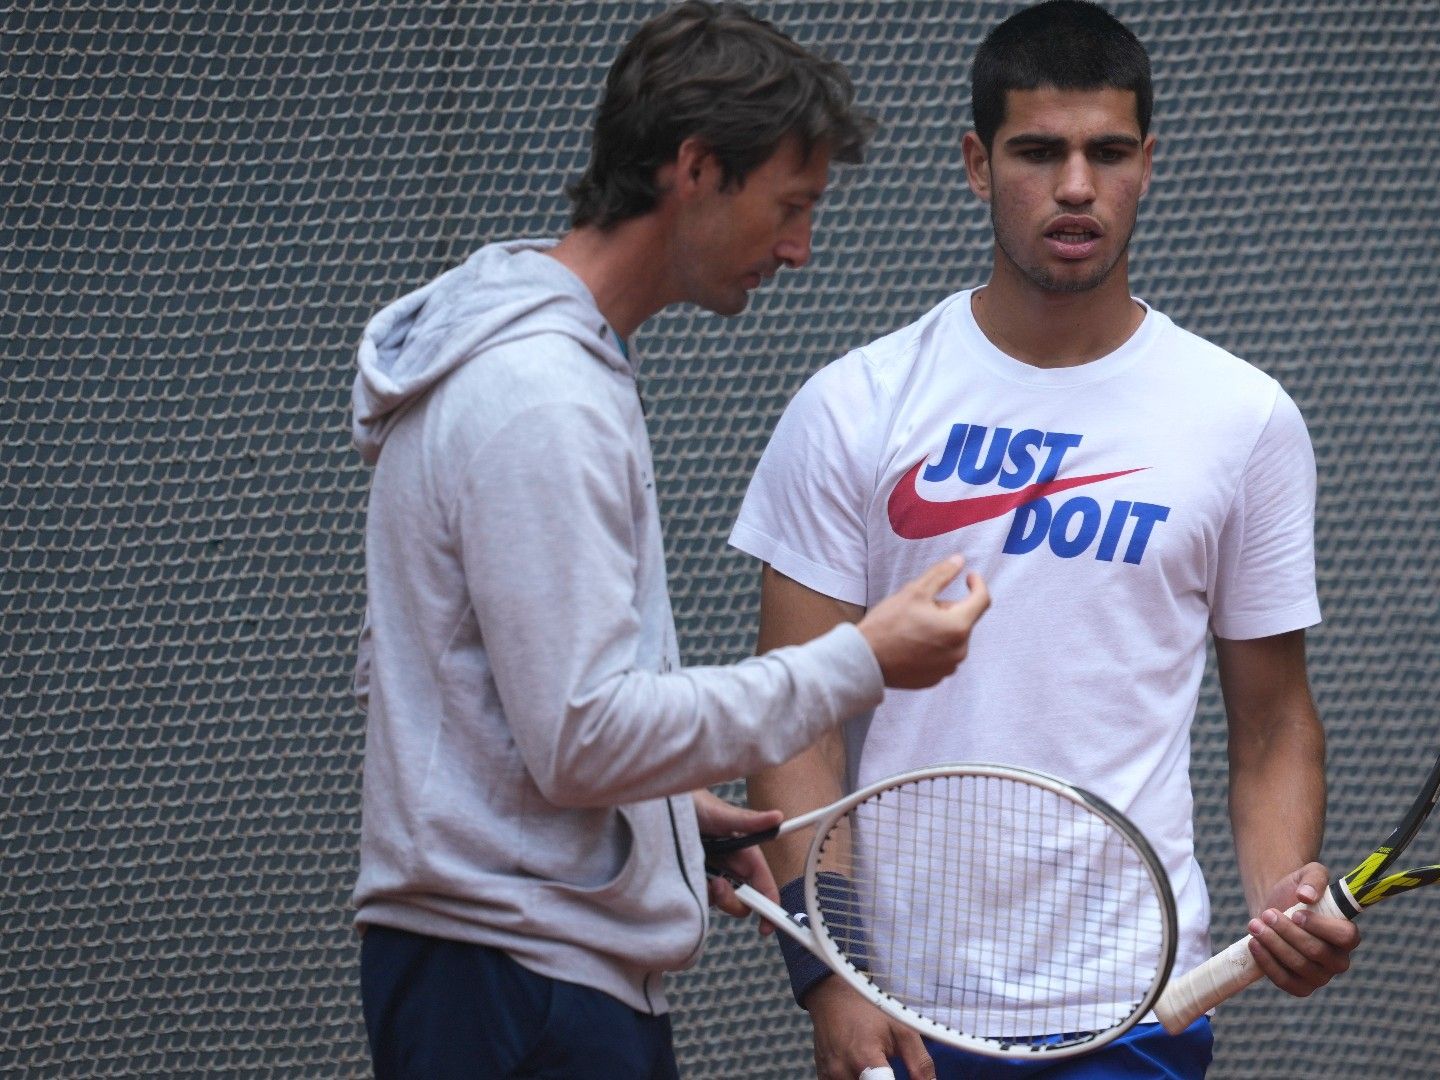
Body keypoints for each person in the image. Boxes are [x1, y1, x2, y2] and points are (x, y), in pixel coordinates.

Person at [346, 4, 989, 1077]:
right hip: (518, 986)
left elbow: (519, 713)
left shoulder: (543, 369)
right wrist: (860, 661)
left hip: (520, 968)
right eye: (791, 206)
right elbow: (582, 735)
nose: (799, 248)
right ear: (694, 168)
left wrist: (660, 816)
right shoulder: (538, 396)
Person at [730, 3, 1360, 1077]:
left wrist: (1282, 897)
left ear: (1149, 164)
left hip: (1135, 1007)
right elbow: (796, 717)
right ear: (977, 165)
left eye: (1108, 153)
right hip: (902, 1009)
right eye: (1039, 152)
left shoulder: (1244, 419)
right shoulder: (854, 406)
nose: (1076, 187)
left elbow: (1271, 724)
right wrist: (831, 976)